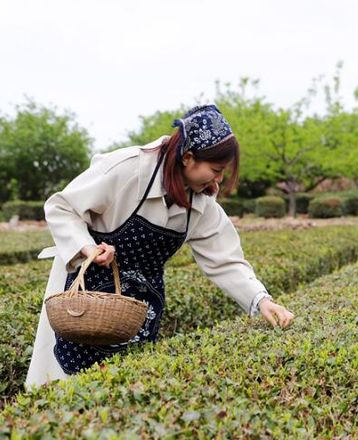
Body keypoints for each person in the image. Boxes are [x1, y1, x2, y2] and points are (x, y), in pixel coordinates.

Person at [26, 105, 294, 390]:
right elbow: (62, 206)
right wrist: (87, 247)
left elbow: (225, 260)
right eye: (215, 170)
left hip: (139, 308)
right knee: (66, 385)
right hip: (86, 296)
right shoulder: (129, 169)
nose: (218, 180)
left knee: (123, 389)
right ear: (188, 158)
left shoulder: (202, 203)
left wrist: (261, 300)